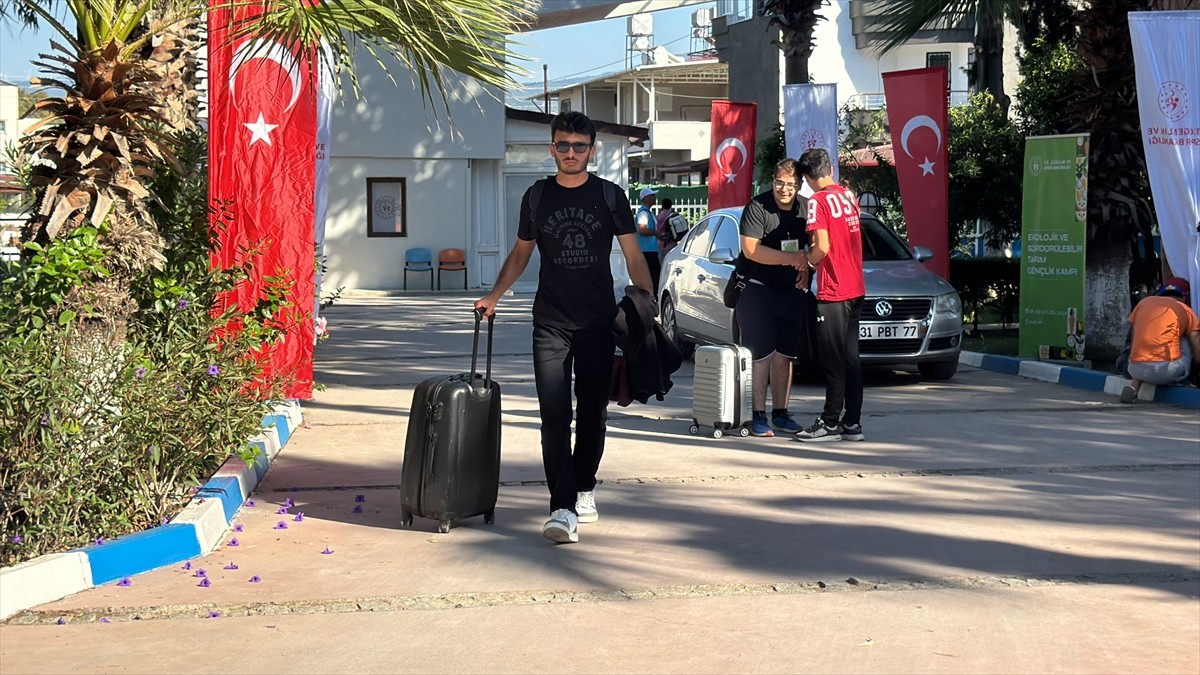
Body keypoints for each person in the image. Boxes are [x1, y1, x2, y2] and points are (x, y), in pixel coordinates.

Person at [475, 111, 654, 545]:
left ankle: (584, 486)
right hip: (550, 322)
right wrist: (494, 295)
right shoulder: (537, 197)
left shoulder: (611, 197)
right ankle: (561, 505)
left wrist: (646, 305)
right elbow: (521, 254)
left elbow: (633, 256)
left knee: (592, 415)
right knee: (554, 415)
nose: (570, 153)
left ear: (591, 151)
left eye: (578, 146)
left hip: (597, 323)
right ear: (551, 148)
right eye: (562, 145)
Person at [734, 158, 811, 437]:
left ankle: (781, 413)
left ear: (799, 185)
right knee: (760, 356)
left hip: (791, 292)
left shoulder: (805, 208)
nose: (784, 189)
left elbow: (813, 248)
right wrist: (793, 259)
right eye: (780, 183)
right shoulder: (757, 207)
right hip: (758, 291)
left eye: (790, 185)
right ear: (772, 180)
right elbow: (751, 250)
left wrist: (806, 269)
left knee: (784, 355)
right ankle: (758, 415)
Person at [793, 147, 866, 443]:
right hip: (856, 286)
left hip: (833, 289)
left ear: (808, 177)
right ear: (830, 169)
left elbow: (821, 247)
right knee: (850, 357)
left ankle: (830, 422)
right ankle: (852, 423)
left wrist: (805, 259)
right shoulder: (848, 196)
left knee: (832, 359)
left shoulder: (817, 201)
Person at [1120, 276, 1200, 403]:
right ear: (1183, 298)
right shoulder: (1185, 309)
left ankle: (1133, 387)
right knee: (1186, 336)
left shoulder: (1143, 304)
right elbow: (1197, 354)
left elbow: (1134, 340)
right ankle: (1184, 380)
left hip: (1135, 368)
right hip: (1166, 372)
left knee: (1147, 345)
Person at [635, 187, 661, 293]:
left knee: (654, 277)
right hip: (647, 251)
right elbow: (642, 229)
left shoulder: (647, 213)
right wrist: (656, 233)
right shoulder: (643, 214)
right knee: (653, 277)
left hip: (650, 250)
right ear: (646, 198)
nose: (654, 198)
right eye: (652, 196)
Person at [656, 197, 682, 263]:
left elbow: (657, 229)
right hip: (673, 242)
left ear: (662, 206)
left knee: (662, 265)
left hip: (662, 243)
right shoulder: (675, 216)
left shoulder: (658, 217)